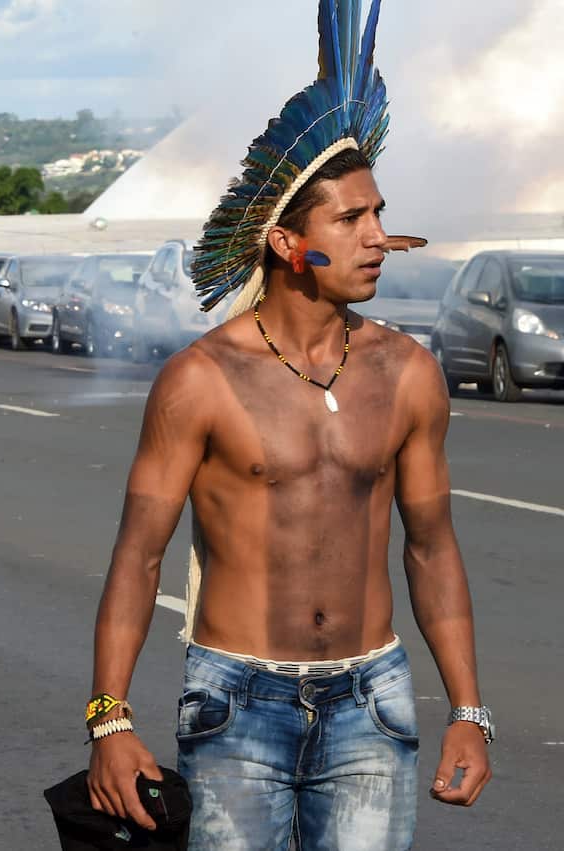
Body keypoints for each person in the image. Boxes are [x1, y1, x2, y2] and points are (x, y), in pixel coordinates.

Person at [85, 4, 491, 849]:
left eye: (379, 213)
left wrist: (469, 710)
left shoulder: (407, 374)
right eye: (351, 221)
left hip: (370, 703)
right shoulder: (200, 381)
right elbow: (138, 553)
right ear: (285, 241)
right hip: (236, 704)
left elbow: (432, 548)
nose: (379, 238)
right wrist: (107, 719)